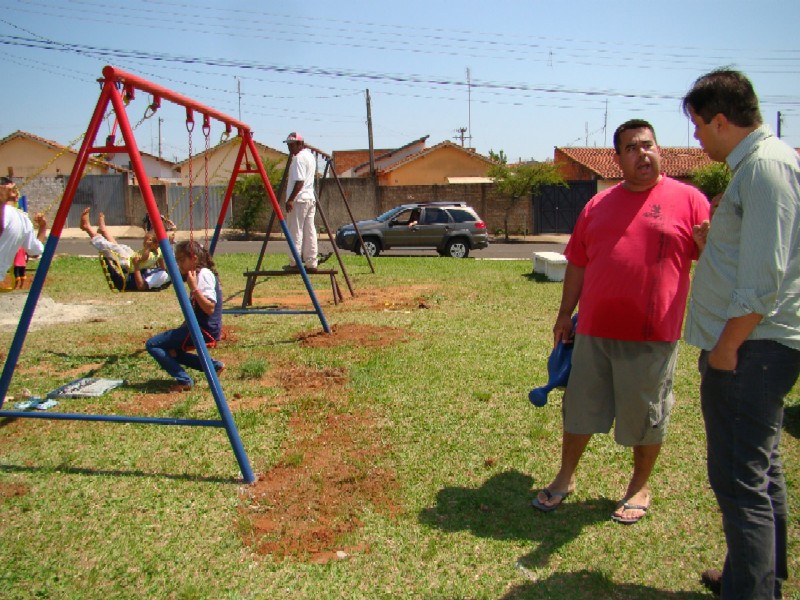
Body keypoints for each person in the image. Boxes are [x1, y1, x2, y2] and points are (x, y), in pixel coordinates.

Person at [532, 119, 709, 525]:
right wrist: (564, 315)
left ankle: (638, 486)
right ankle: (565, 477)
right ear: (618, 159)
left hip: (653, 335)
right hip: (593, 331)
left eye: (647, 145)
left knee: (645, 415)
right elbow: (578, 261)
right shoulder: (598, 205)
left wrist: (709, 247)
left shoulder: (689, 200)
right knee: (578, 408)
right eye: (631, 148)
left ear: (659, 150)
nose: (641, 153)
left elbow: (712, 257)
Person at [682, 69, 800, 600]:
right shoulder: (761, 165)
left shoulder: (765, 168)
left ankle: (750, 590)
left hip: (752, 351)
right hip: (757, 348)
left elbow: (763, 282)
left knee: (739, 482)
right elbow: (755, 259)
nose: (697, 138)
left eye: (699, 126)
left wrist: (727, 349)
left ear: (722, 120)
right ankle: (757, 578)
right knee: (762, 468)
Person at [145, 240, 224, 392]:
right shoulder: (197, 274)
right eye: (177, 260)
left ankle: (184, 380)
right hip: (199, 327)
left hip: (204, 330)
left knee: (153, 344)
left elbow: (209, 308)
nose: (179, 264)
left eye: (182, 260)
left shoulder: (204, 275)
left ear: (193, 259)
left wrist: (194, 288)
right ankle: (214, 366)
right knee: (172, 351)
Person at [80, 207, 170, 292]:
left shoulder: (150, 252)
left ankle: (88, 228)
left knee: (112, 248)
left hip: (128, 264)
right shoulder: (158, 251)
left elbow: (145, 258)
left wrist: (147, 248)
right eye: (145, 240)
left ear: (156, 243)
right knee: (121, 247)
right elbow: (162, 266)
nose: (145, 242)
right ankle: (103, 231)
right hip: (131, 257)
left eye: (147, 240)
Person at [0, 177, 47, 289]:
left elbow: (35, 251)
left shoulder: (22, 219)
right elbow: (35, 251)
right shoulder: (24, 220)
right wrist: (43, 227)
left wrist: (43, 227)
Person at [283, 132, 319, 272]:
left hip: (299, 200)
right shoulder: (310, 157)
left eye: (292, 145)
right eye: (288, 145)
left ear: (300, 144)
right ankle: (311, 262)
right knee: (310, 230)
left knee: (295, 231)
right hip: (309, 198)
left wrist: (291, 199)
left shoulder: (298, 159)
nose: (290, 148)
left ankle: (295, 262)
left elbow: (299, 181)